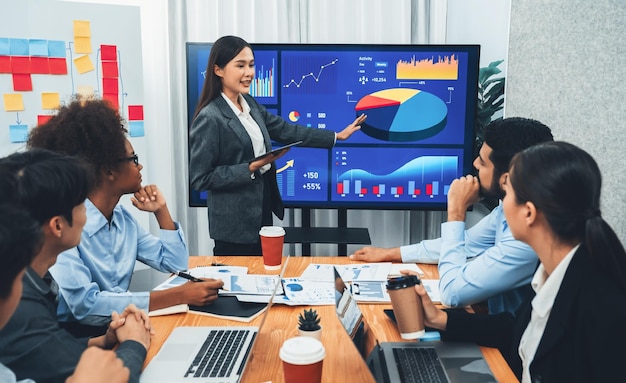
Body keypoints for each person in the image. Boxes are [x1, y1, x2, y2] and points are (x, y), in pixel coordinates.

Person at [415, 141, 626, 382]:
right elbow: (517, 331)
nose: (502, 204)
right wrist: (440, 319)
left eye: (508, 193)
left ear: (529, 213)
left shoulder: (602, 307)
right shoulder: (553, 270)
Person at [27, 97, 223, 335]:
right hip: (80, 337)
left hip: (124, 327)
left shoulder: (122, 219)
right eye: (134, 159)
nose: (139, 167)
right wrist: (178, 295)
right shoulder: (65, 228)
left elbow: (176, 263)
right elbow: (85, 307)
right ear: (108, 170)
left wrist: (161, 211)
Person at [351, 117, 554, 314]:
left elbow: (452, 293)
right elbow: (465, 243)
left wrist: (456, 211)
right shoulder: (508, 209)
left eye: (483, 163)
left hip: (511, 344)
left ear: (506, 178)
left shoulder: (527, 237)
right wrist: (390, 254)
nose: (474, 164)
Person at [189, 35, 367, 256]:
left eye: (252, 65)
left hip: (261, 214)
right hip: (233, 228)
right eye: (240, 66)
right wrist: (250, 168)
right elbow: (200, 178)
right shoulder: (210, 117)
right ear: (218, 70)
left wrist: (335, 136)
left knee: (265, 279)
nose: (249, 73)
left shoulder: (249, 104)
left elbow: (285, 130)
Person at [0, 150, 151, 383]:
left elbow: (46, 352)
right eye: (82, 203)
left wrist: (103, 341)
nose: (88, 213)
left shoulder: (35, 280)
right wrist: (134, 343)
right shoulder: (19, 305)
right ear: (58, 225)